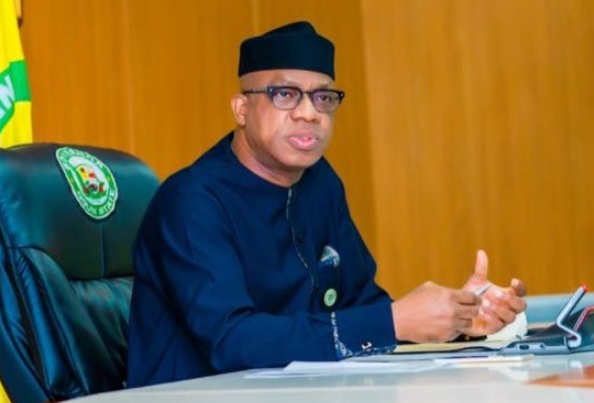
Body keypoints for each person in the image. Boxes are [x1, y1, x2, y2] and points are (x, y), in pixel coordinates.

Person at [126, 21, 527, 388]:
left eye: (323, 97)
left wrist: (457, 318)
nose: (309, 114)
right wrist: (394, 321)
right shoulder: (193, 201)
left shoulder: (319, 183)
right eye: (285, 95)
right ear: (242, 109)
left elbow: (362, 305)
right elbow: (231, 342)